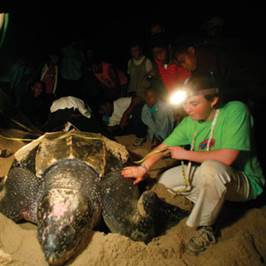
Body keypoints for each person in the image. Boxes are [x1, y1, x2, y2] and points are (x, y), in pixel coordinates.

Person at [121, 74, 265, 254]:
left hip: (243, 183)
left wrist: (185, 153)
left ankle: (206, 227)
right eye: (185, 103)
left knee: (210, 168)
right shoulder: (190, 123)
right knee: (166, 179)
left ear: (213, 101)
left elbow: (228, 157)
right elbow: (163, 148)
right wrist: (143, 167)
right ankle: (208, 205)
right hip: (212, 178)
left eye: (194, 104)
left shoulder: (236, 110)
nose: (187, 109)